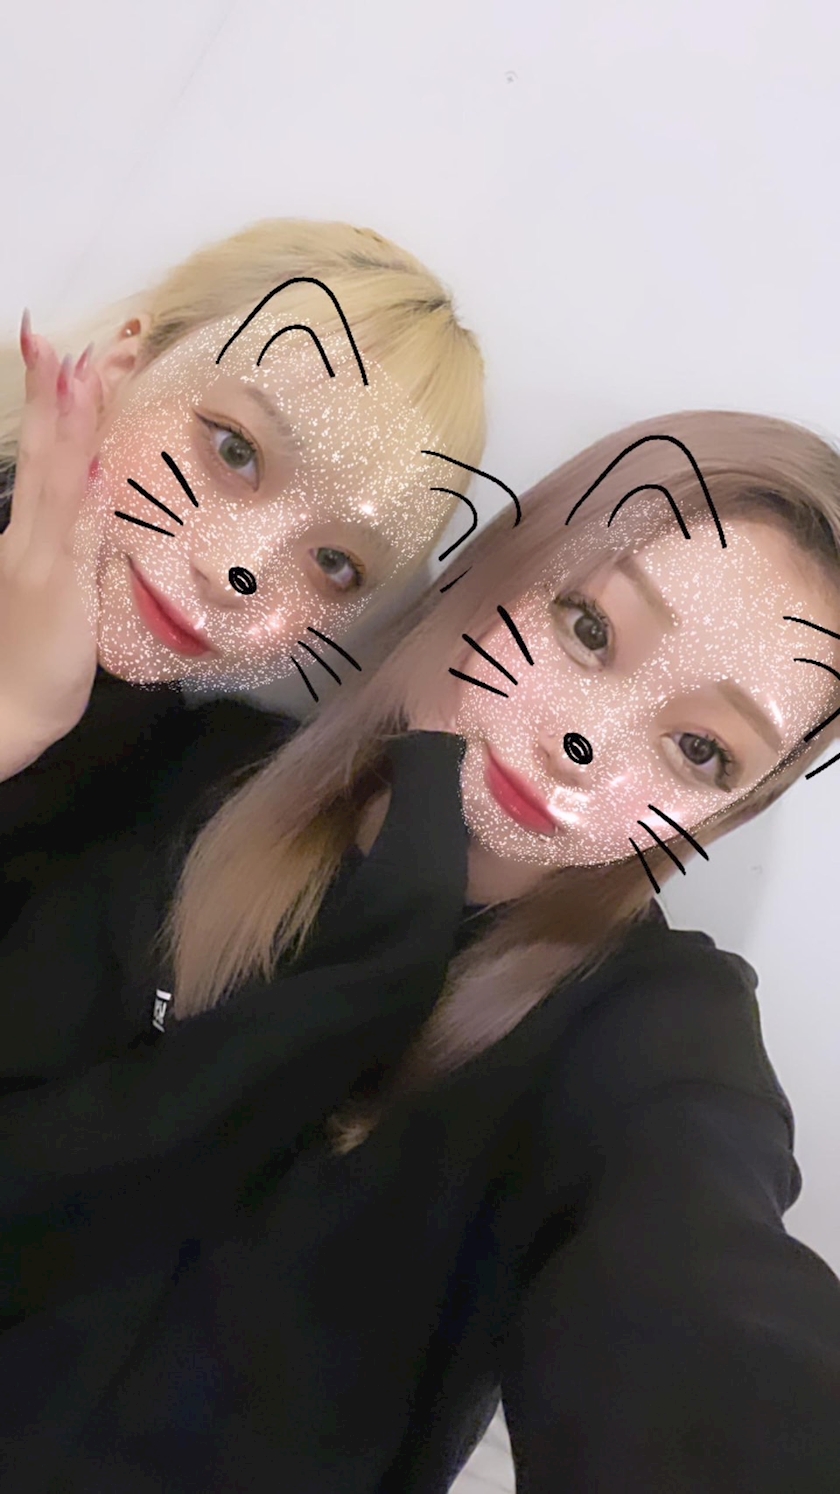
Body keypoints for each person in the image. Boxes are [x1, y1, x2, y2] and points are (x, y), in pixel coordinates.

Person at [1, 410, 840, 1492]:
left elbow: (700, 1284)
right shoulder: (170, 766)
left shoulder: (653, 1023)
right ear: (492, 566)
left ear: (727, 812)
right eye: (590, 628)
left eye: (701, 749)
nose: (583, 744)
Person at [0, 217, 486, 935]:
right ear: (127, 367)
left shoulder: (172, 794)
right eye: (236, 450)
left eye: (335, 563)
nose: (240, 575)